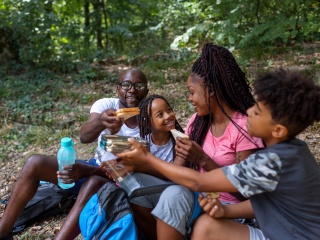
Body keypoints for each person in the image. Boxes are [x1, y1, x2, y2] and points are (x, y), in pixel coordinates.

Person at [116, 68, 320, 239]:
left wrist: (147, 158)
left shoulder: (271, 162)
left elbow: (199, 183)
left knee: (205, 227)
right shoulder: (295, 151)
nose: (249, 111)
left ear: (278, 130)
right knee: (207, 225)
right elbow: (266, 202)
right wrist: (226, 211)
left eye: (257, 112)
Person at [116, 43, 264, 240]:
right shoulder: (197, 122)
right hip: (199, 196)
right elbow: (179, 171)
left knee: (174, 195)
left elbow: (248, 194)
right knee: (145, 188)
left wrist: (204, 160)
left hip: (231, 209)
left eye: (192, 92)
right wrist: (137, 165)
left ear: (210, 90)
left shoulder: (244, 128)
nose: (190, 98)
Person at [0, 67, 149, 240]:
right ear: (118, 89)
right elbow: (84, 136)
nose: (132, 90)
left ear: (147, 89)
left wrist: (88, 170)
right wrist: (101, 122)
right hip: (95, 167)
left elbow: (143, 168)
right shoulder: (106, 105)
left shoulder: (152, 114)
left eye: (139, 85)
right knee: (35, 163)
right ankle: (3, 231)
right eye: (126, 85)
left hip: (123, 182)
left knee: (93, 182)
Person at [99, 94, 186, 240]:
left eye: (169, 110)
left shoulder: (180, 141)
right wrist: (117, 165)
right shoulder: (142, 142)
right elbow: (127, 161)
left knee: (137, 179)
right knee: (130, 185)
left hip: (176, 190)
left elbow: (176, 175)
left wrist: (135, 167)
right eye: (160, 115)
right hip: (150, 193)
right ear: (148, 121)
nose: (168, 116)